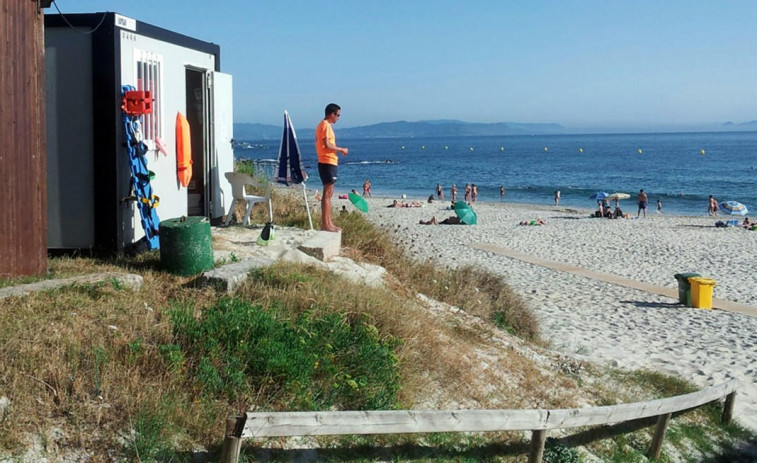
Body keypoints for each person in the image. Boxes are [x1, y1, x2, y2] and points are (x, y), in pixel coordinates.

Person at [315, 103, 348, 232]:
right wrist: (341, 149)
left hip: (328, 162)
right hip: (327, 162)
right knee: (327, 194)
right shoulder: (325, 125)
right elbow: (327, 144)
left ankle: (328, 222)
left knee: (329, 193)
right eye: (338, 115)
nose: (338, 118)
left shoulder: (324, 126)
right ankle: (325, 224)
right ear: (332, 114)